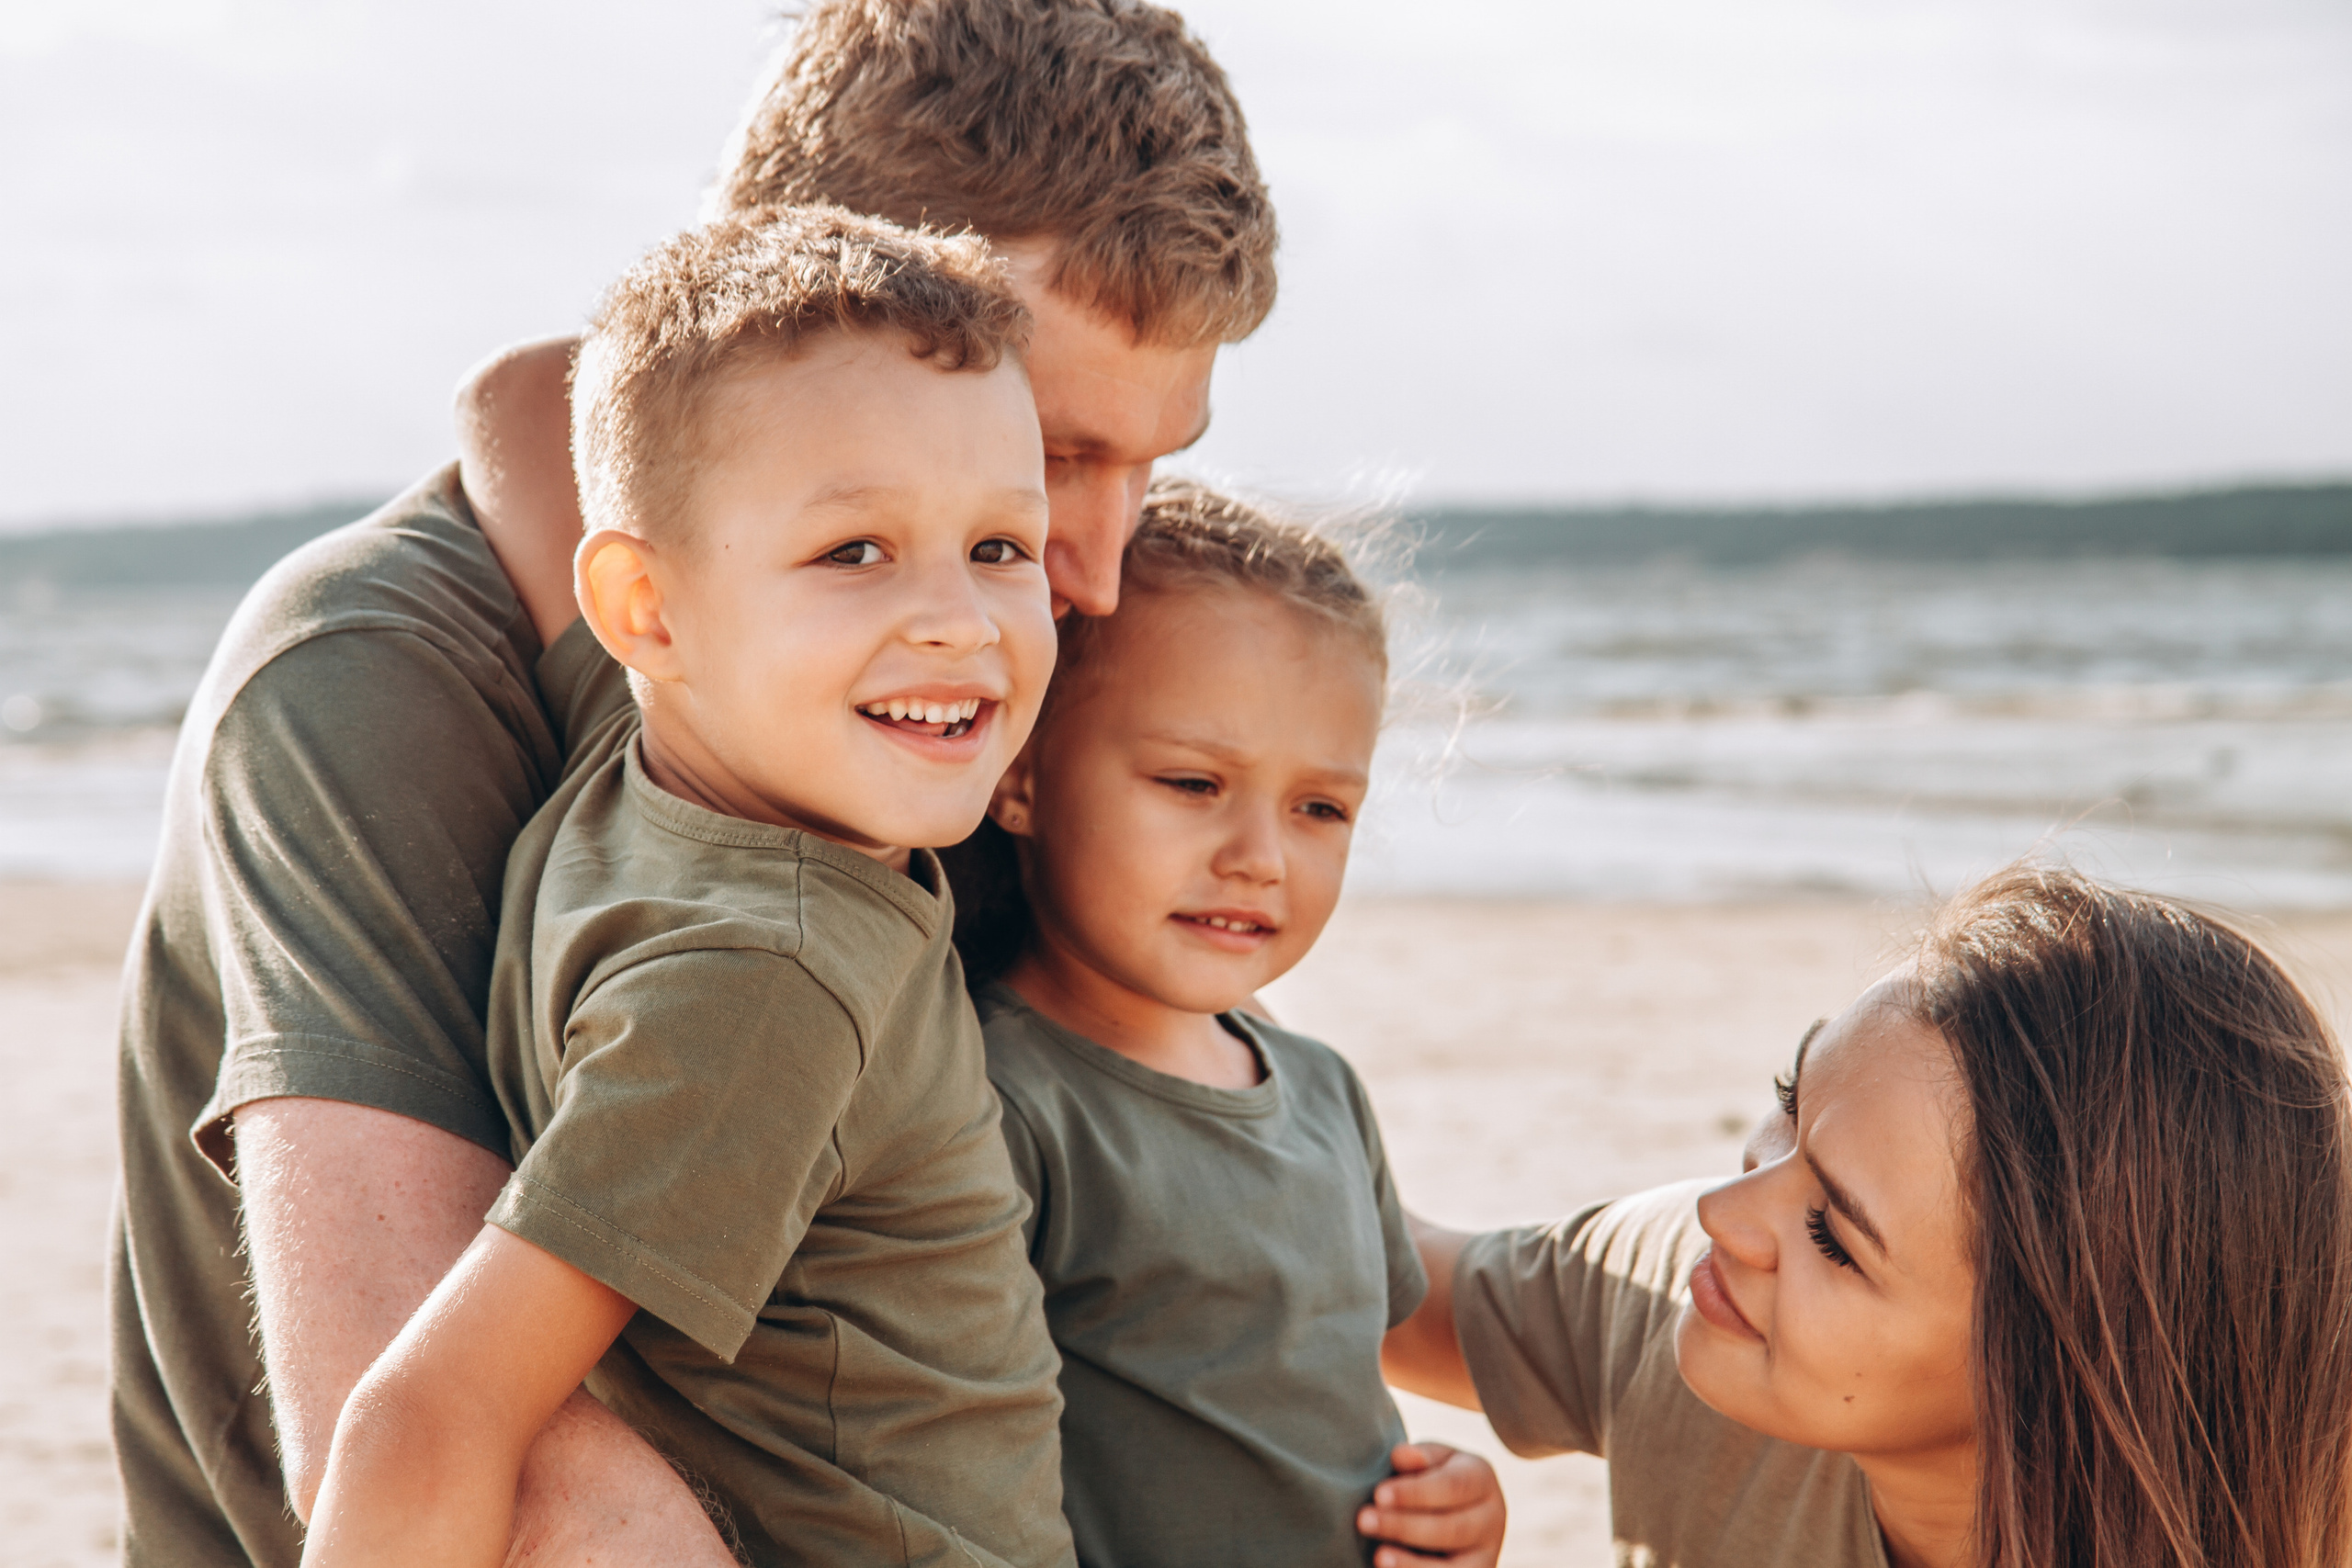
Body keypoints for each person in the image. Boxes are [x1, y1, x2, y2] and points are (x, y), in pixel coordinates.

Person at [111, 4, 1275, 1563]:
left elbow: (1176, 1159)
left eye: (1158, 463)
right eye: (1062, 454)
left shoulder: (925, 681)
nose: (1106, 572)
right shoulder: (364, 683)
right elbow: (485, 1475)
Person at [304, 205, 1069, 1568]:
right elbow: (422, 1418)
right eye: (856, 550)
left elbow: (517, 399)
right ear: (649, 609)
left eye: (1002, 546)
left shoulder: (651, 730)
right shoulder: (768, 975)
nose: (961, 616)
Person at [1376, 865, 2352, 1568]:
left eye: (1829, 1239)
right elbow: (1364, 1284)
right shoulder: (1697, 1294)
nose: (1723, 1210)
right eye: (1790, 1104)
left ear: (2057, 1378)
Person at [954, 482, 1508, 1567]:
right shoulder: (999, 1098)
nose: (1259, 855)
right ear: (1019, 774)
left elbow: (1341, 1386)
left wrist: (1452, 1502)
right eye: (1194, 781)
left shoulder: (1319, 1090)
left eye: (1319, 809)